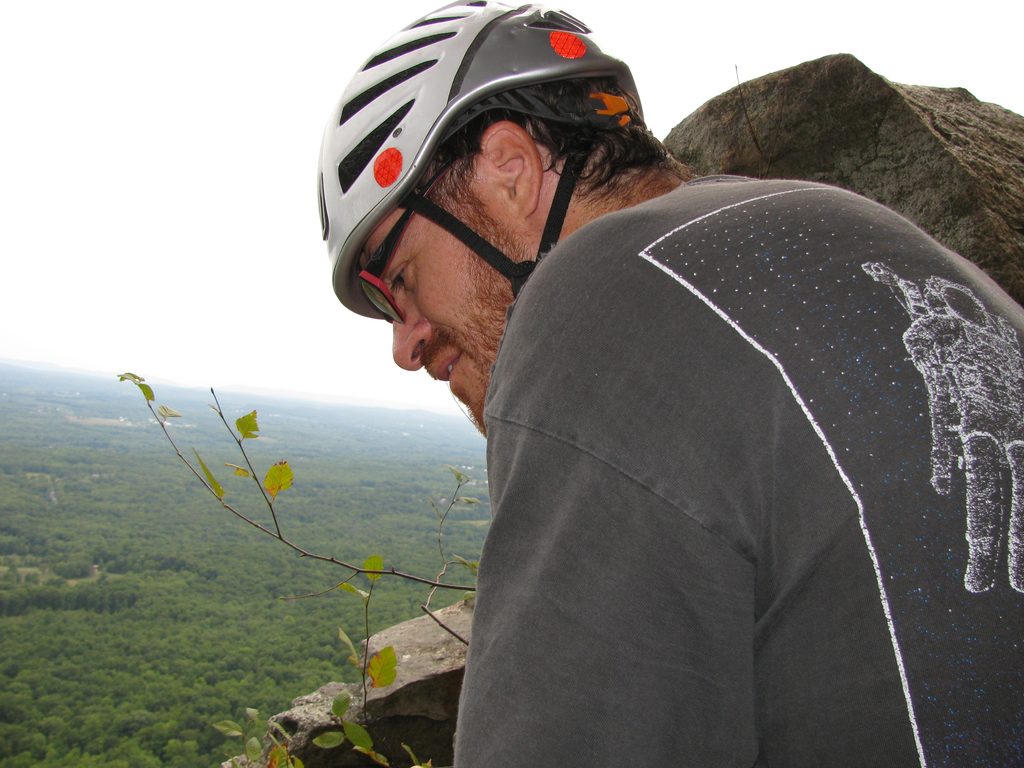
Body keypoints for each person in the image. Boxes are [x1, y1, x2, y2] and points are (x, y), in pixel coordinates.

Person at [317, 2, 1024, 765]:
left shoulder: (598, 299)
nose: (405, 342)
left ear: (509, 170)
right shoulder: (854, 228)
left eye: (396, 279)